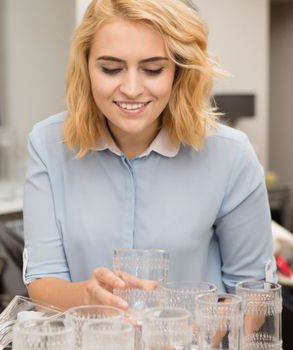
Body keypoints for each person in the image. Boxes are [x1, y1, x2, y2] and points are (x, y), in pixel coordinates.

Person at [23, 0, 276, 311]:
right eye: (111, 68)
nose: (131, 88)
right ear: (85, 67)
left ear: (178, 71)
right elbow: (43, 279)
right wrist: (87, 298)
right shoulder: (48, 144)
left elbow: (253, 294)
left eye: (153, 69)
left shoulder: (231, 156)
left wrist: (190, 336)